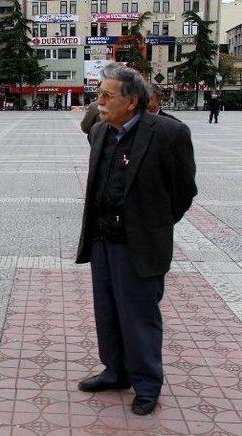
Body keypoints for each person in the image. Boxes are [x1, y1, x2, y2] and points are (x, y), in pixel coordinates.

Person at [75, 64, 197, 416]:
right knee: (108, 311)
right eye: (99, 94)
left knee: (139, 316)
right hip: (102, 238)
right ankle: (115, 372)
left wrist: (154, 223)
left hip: (139, 243)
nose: (98, 101)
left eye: (106, 95)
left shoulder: (168, 133)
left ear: (131, 102)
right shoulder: (99, 132)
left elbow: (184, 191)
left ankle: (147, 385)